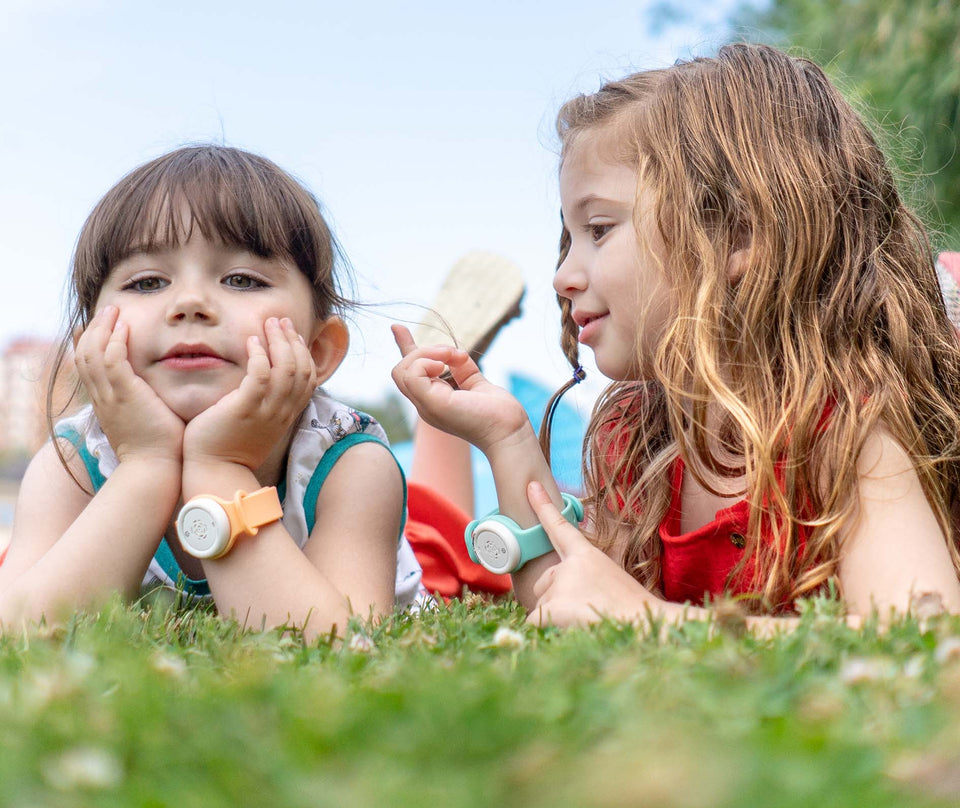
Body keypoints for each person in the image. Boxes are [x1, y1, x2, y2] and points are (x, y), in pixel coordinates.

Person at [392, 43, 960, 630]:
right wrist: (507, 439)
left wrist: (651, 619)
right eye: (569, 237)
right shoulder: (639, 436)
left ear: (737, 234)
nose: (562, 276)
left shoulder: (842, 430)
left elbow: (923, 630)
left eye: (599, 229)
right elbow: (569, 598)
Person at [0, 145, 424, 638]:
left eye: (242, 279)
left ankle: (440, 401)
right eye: (146, 282)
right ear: (90, 347)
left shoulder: (349, 466)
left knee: (438, 528)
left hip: (401, 534)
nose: (190, 303)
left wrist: (219, 468)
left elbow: (337, 648)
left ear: (318, 350)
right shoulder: (73, 464)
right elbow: (18, 638)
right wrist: (145, 465)